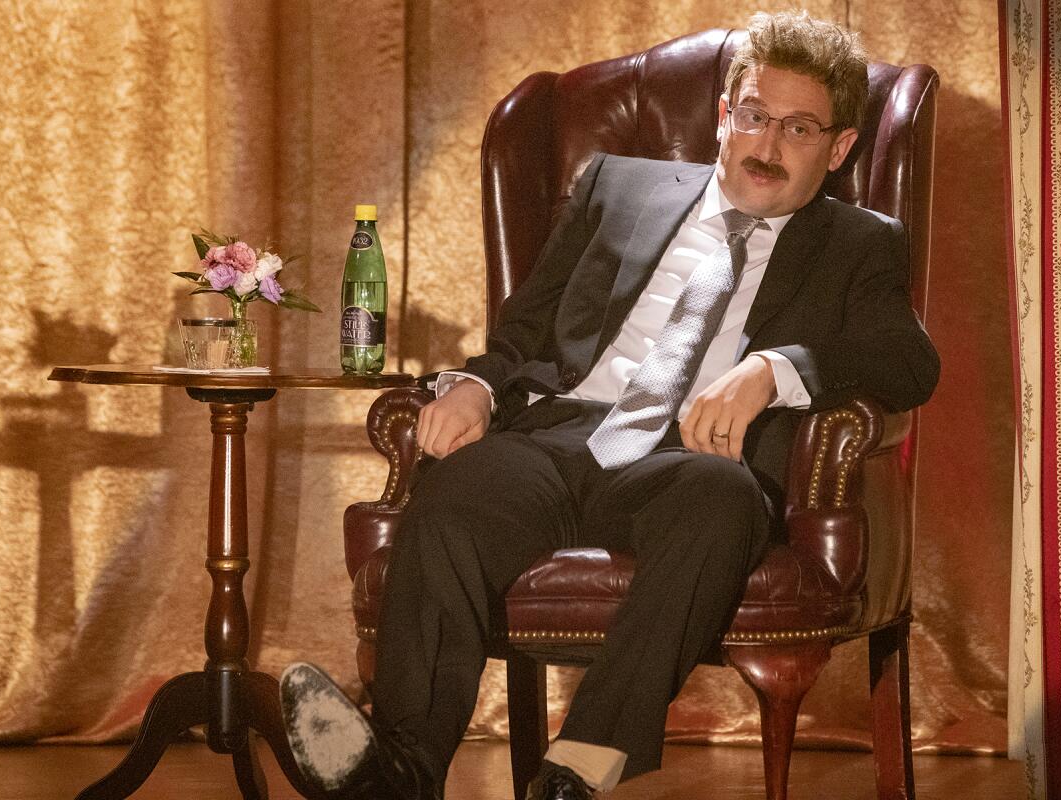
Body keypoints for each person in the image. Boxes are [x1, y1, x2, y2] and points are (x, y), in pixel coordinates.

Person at [278, 10, 939, 800]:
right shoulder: (617, 188)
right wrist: (479, 385)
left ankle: (578, 770)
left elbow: (909, 362)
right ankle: (399, 772)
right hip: (557, 440)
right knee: (452, 494)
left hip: (689, 462)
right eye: (755, 116)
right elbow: (524, 326)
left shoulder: (858, 242)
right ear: (725, 116)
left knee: (722, 500)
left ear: (840, 150)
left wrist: (774, 368)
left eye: (798, 129)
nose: (766, 147)